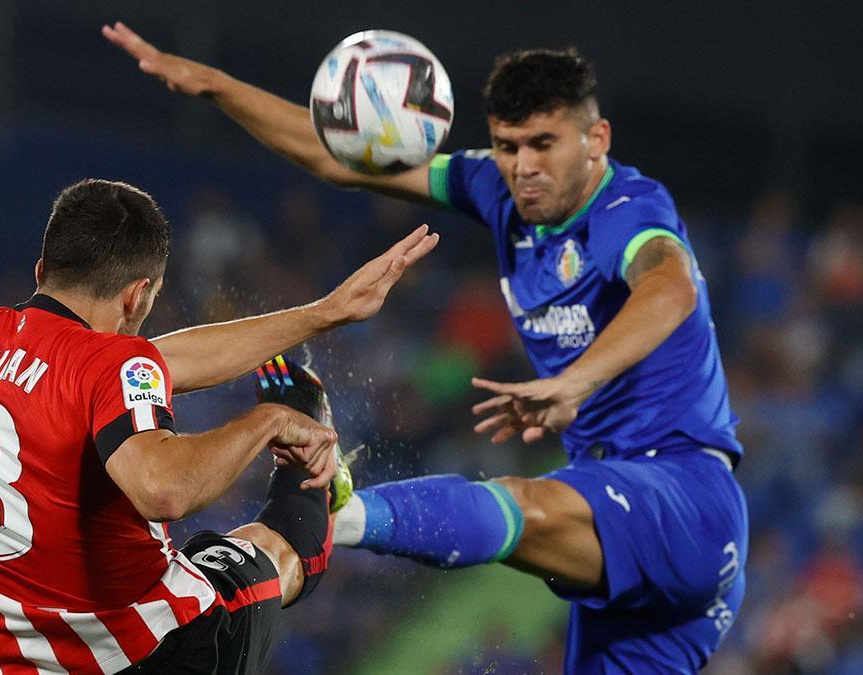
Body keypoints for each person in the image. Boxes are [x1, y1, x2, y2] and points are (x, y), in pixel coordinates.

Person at [106, 23, 748, 673]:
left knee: (523, 503)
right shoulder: (495, 188)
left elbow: (671, 291)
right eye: (508, 145)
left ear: (596, 139)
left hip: (683, 496)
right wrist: (216, 85)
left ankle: (340, 517)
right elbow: (338, 157)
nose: (523, 165)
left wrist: (576, 381)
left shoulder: (631, 210)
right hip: (618, 537)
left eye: (544, 144)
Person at [0, 178, 437, 673]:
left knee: (194, 556)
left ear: (43, 271)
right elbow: (164, 489)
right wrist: (269, 421)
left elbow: (140, 363)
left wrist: (323, 313)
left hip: (11, 662)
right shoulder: (111, 364)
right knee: (278, 552)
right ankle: (317, 474)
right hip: (151, 654)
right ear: (137, 295)